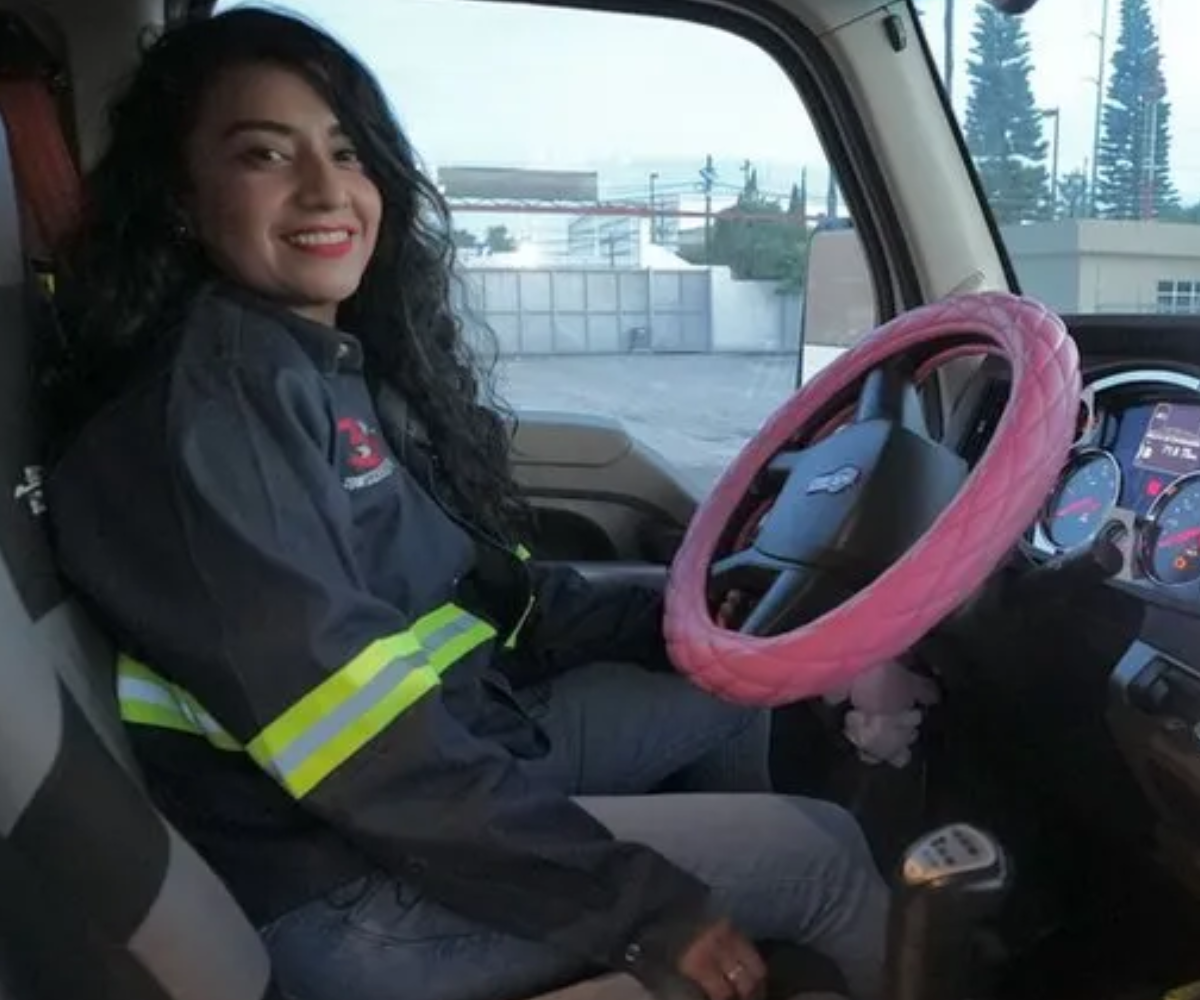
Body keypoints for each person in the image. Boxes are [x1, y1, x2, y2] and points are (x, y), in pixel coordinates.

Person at [43, 9, 894, 1000]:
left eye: (348, 152)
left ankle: (746, 955)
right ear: (184, 199)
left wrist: (696, 612)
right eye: (264, 155)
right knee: (824, 852)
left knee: (735, 681)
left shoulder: (327, 371)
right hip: (338, 883)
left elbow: (494, 603)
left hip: (460, 754)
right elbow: (358, 741)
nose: (326, 189)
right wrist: (639, 901)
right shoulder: (209, 415)